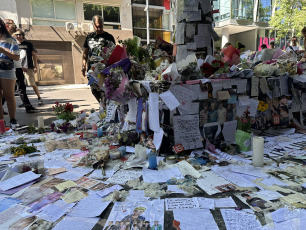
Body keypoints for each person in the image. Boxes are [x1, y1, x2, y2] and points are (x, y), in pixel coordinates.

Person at [2, 25, 40, 113]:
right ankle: (27, 107)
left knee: (19, 87)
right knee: (14, 88)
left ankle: (28, 106)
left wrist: (34, 65)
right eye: (10, 23)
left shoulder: (19, 42)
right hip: (11, 67)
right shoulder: (7, 39)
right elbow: (11, 55)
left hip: (18, 66)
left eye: (20, 34)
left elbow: (30, 55)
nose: (13, 25)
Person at [82, 15, 115, 103]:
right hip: (92, 70)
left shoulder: (109, 37)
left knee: (104, 91)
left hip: (104, 70)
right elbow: (85, 53)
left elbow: (114, 53)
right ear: (93, 25)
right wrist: (83, 66)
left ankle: (105, 109)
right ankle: (102, 106)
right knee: (94, 90)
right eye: (97, 26)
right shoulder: (89, 37)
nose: (99, 28)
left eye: (101, 26)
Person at [0, 18, 20, 128]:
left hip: (6, 69)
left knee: (9, 96)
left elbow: (17, 57)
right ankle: (1, 124)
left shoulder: (11, 39)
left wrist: (3, 51)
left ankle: (12, 120)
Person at [17, 28, 43, 105]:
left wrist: (35, 66)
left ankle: (39, 98)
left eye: (20, 34)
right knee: (21, 85)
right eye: (17, 34)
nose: (18, 36)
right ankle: (24, 101)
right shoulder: (14, 44)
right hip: (18, 68)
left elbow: (34, 55)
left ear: (22, 35)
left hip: (28, 66)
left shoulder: (28, 44)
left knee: (32, 83)